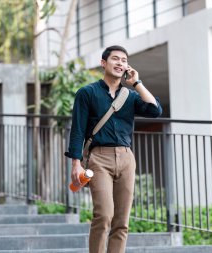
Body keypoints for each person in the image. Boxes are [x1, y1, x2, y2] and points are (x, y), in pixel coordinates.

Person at [65, 45, 162, 253]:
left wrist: (137, 83)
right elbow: (78, 130)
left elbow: (155, 110)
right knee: (104, 215)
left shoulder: (130, 96)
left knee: (122, 221)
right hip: (99, 159)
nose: (120, 63)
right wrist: (76, 164)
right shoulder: (87, 93)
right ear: (103, 63)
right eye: (115, 59)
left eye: (124, 60)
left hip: (126, 158)